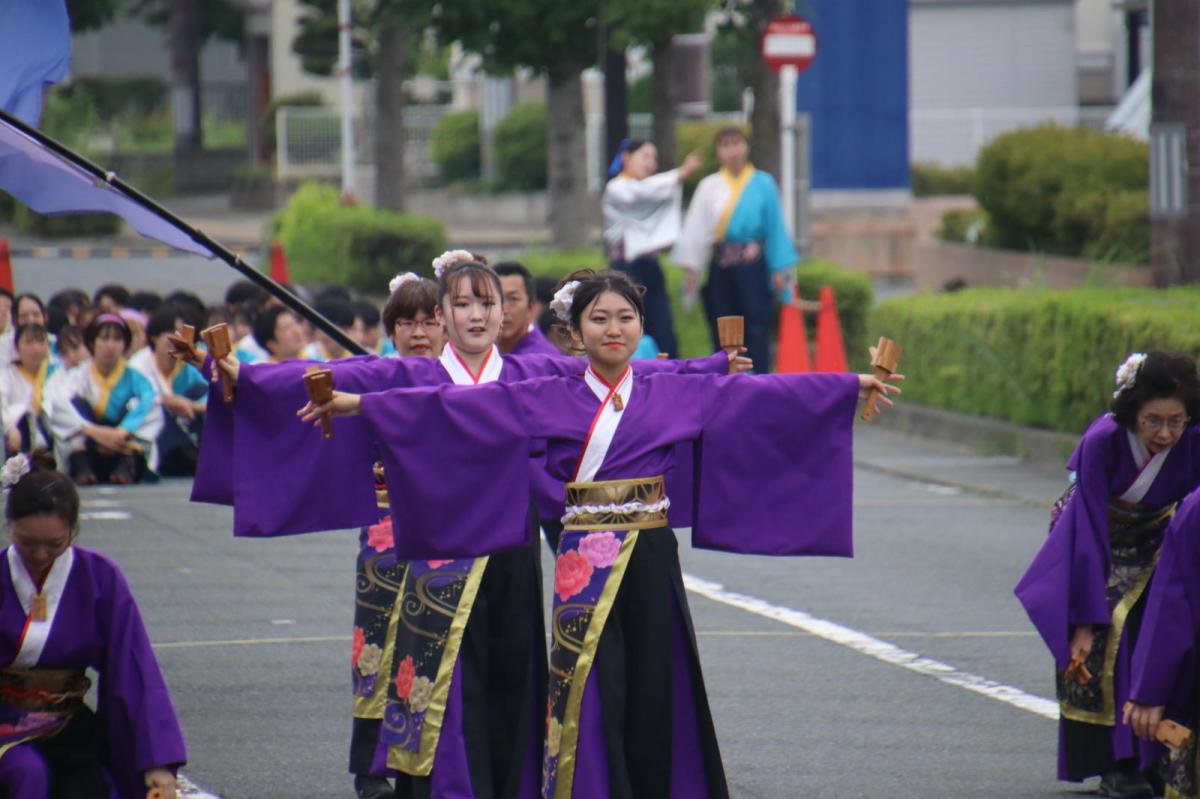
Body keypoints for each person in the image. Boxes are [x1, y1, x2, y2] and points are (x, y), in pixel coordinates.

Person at [300, 268, 898, 798]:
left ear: (641, 325)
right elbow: (449, 409)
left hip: (651, 556)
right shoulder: (546, 392)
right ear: (575, 332)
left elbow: (761, 398)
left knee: (657, 683)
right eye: (599, 318)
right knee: (588, 688)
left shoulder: (671, 391)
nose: (614, 329)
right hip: (583, 558)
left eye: (626, 318)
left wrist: (848, 387)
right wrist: (358, 405)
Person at [193, 256, 745, 799]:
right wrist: (245, 375)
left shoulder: (532, 372)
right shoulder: (415, 373)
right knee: (447, 686)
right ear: (443, 317)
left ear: (506, 314)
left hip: (511, 547)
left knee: (515, 676)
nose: (478, 316)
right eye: (463, 304)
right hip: (442, 552)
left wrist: (713, 367)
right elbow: (338, 377)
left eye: (490, 303)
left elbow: (632, 375)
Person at [1015, 352, 1200, 797]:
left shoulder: (1193, 439)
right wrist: (1084, 615)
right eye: (1152, 420)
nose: (1165, 433)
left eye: (1176, 421)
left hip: (1164, 537)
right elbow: (1089, 527)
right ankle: (1116, 762)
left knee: (1163, 632)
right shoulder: (1103, 441)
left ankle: (1158, 756)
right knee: (1109, 630)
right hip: (1094, 536)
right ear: (1131, 412)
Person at [0, 449, 186, 798]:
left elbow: (134, 670)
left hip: (68, 724)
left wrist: (157, 764)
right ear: (10, 528)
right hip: (4, 724)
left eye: (54, 544)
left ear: (73, 528)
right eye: (28, 544)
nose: (40, 555)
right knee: (28, 775)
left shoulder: (100, 577)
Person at [672, 126, 798, 370]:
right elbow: (696, 230)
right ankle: (726, 379)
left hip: (753, 265)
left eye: (737, 143)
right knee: (722, 324)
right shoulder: (710, 186)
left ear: (746, 147)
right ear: (719, 152)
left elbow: (775, 229)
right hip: (721, 266)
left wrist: (779, 270)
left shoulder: (763, 183)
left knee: (757, 324)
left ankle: (759, 379)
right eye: (726, 145)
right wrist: (693, 269)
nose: (733, 151)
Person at [602, 139, 701, 359]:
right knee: (630, 329)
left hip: (650, 265)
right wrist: (681, 173)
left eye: (654, 159)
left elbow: (652, 193)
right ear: (626, 157)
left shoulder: (649, 187)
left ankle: (667, 380)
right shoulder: (616, 188)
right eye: (645, 156)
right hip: (624, 268)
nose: (651, 164)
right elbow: (642, 194)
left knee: (663, 332)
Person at [44, 314, 162, 485]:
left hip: (123, 443)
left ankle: (125, 467)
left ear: (125, 345)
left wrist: (122, 432)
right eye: (104, 338)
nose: (110, 345)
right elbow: (59, 406)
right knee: (78, 405)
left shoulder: (138, 378)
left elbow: (150, 405)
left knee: (134, 408)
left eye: (117, 339)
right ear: (92, 343)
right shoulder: (77, 376)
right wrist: (93, 432)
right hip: (89, 443)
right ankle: (83, 469)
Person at [129, 310, 207, 477]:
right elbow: (143, 399)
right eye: (172, 333)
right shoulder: (139, 364)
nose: (178, 339)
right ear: (155, 337)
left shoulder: (187, 363)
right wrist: (170, 402)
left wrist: (190, 405)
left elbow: (211, 394)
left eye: (181, 333)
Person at [0, 324, 56, 456]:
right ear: (17, 348)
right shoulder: (8, 375)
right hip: (20, 434)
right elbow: (2, 403)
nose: (36, 348)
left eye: (41, 341)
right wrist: (11, 428)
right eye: (29, 342)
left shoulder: (56, 371)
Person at [495, 262, 560, 356]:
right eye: (496, 299)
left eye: (513, 299)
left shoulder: (544, 361)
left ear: (531, 307)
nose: (503, 310)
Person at [382, 273, 446, 359]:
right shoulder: (380, 371)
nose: (418, 334)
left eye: (429, 323)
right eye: (408, 323)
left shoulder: (456, 371)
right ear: (392, 333)